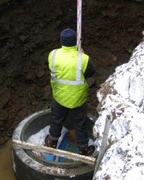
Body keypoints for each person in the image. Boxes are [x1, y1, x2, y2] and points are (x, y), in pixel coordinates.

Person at [45, 28, 96, 156]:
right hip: (78, 99)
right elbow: (90, 73)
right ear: (75, 42)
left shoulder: (53, 54)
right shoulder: (83, 58)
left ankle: (52, 142)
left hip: (59, 96)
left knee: (56, 120)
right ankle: (83, 149)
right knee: (80, 124)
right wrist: (81, 54)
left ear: (61, 41)